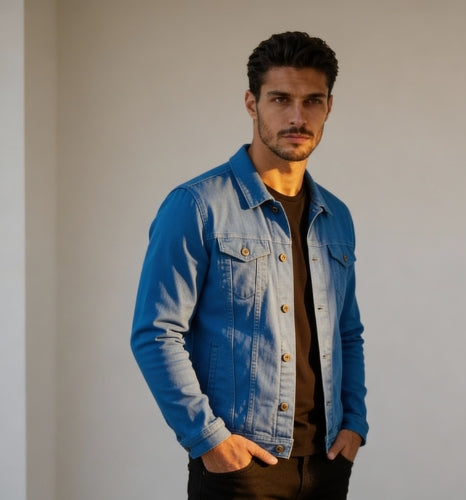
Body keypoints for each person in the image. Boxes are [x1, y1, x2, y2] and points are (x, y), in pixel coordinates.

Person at [131, 31, 368, 499]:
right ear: (251, 103)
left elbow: (347, 333)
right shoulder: (197, 206)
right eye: (280, 99)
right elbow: (156, 333)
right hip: (242, 468)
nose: (297, 117)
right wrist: (209, 440)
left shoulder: (336, 217)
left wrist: (355, 425)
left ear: (329, 107)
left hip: (327, 462)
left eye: (312, 101)